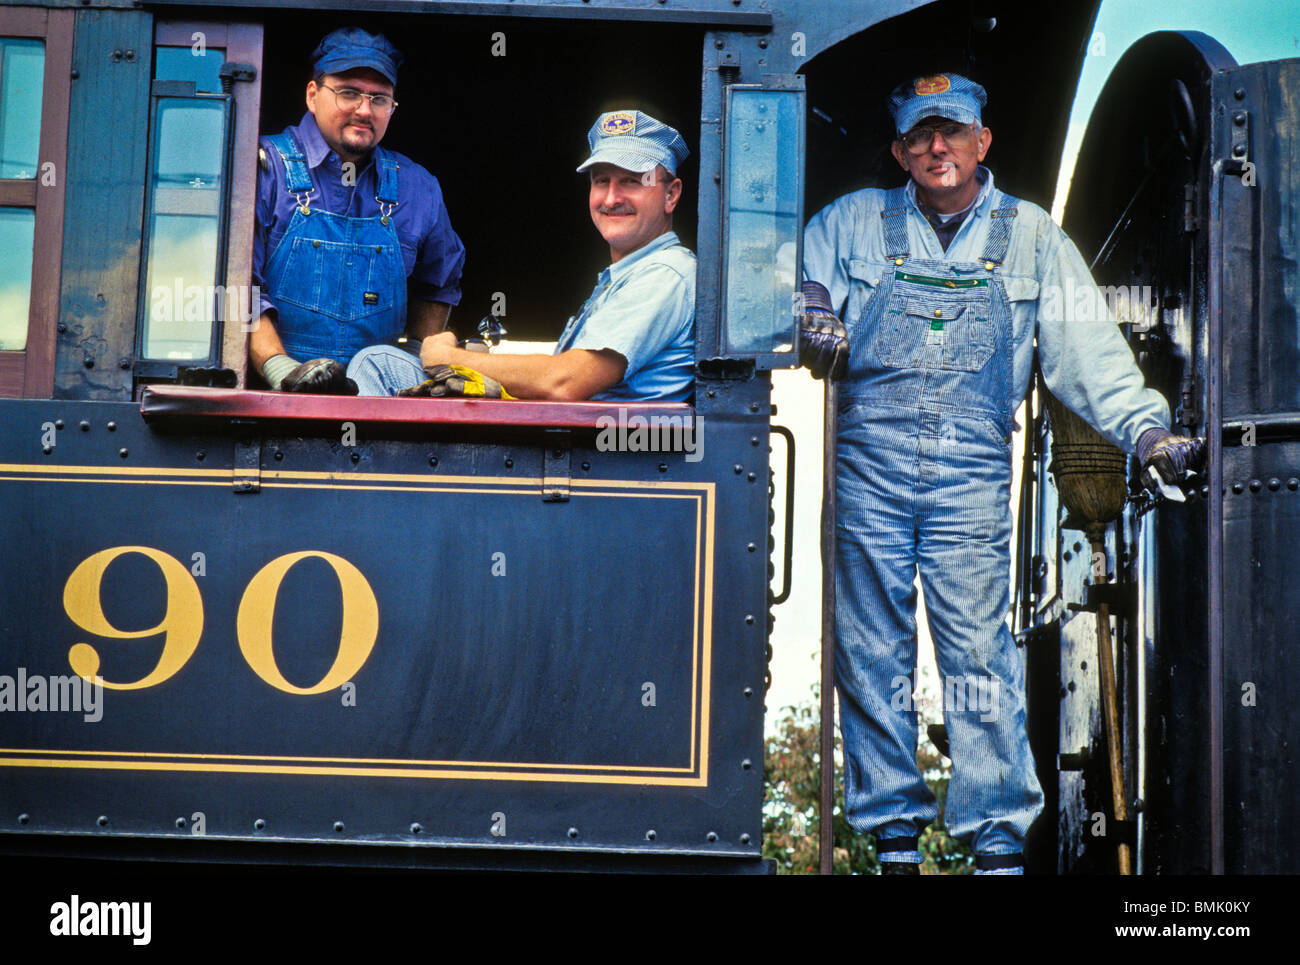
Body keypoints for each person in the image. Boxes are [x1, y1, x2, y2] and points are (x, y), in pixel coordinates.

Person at [799, 72, 1202, 875]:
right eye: (920, 135)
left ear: (982, 142)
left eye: (952, 132)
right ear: (900, 151)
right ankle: (894, 841)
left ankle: (997, 845)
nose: (936, 147)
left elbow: (1090, 356)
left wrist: (1148, 431)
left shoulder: (1034, 238)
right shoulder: (846, 223)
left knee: (977, 655)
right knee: (868, 650)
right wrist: (807, 309)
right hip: (866, 467)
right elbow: (795, 288)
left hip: (970, 475)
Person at [347, 109, 694, 401]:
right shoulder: (628, 274)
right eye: (602, 181)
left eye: (632, 181)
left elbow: (564, 381)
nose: (611, 198)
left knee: (377, 365)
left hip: (602, 453)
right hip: (576, 440)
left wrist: (448, 357)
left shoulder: (665, 273)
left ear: (671, 194)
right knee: (380, 361)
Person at [250, 27, 465, 394]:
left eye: (379, 99)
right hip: (267, 402)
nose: (364, 111)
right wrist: (280, 369)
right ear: (313, 95)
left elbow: (440, 283)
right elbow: (233, 287)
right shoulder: (262, 168)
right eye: (348, 93)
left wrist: (411, 363)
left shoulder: (418, 187)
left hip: (377, 407)